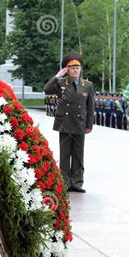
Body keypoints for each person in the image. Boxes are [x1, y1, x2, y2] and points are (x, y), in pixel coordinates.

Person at [44, 52, 95, 193]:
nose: (75, 70)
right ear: (67, 69)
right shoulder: (60, 83)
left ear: (80, 69)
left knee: (78, 155)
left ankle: (77, 183)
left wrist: (89, 125)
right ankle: (65, 183)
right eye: (72, 68)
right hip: (65, 122)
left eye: (77, 68)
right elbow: (47, 90)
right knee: (65, 154)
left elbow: (91, 107)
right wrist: (57, 76)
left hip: (79, 123)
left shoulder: (87, 85)